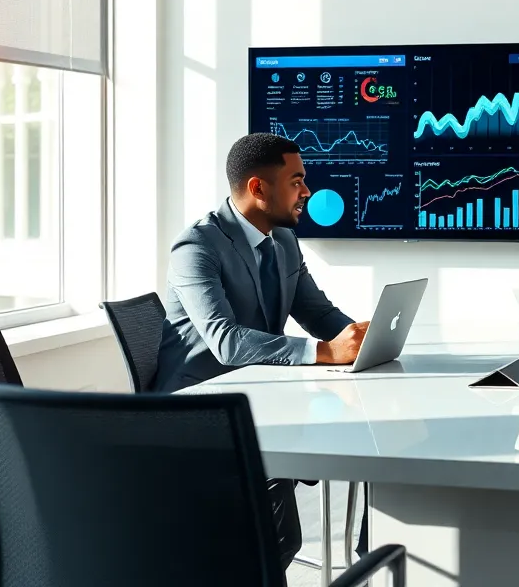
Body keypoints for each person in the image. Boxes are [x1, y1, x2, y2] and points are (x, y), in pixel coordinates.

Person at [153, 132, 371, 573]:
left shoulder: (283, 239)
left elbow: (316, 310)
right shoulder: (196, 247)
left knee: (362, 442)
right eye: (296, 181)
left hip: (261, 395)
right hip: (199, 413)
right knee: (274, 541)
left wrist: (359, 336)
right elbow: (226, 340)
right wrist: (326, 352)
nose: (306, 191)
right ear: (258, 188)